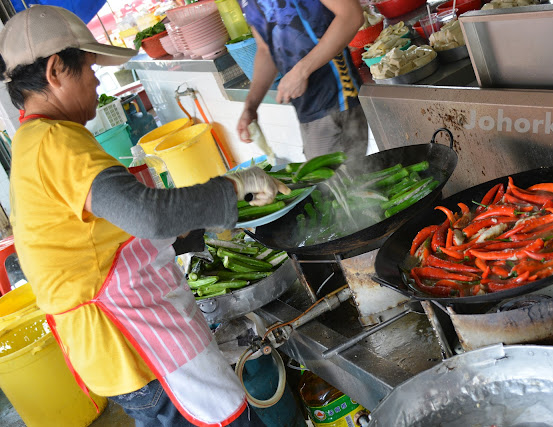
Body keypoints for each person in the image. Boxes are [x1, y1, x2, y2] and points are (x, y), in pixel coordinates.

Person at [1, 6, 288, 427]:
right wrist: (236, 183)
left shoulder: (31, 141)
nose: (97, 80)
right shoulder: (55, 142)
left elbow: (95, 235)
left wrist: (189, 223)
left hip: (115, 350)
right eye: (89, 68)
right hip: (139, 345)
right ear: (56, 70)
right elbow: (146, 215)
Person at [236, 0, 369, 160]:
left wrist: (301, 71)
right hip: (306, 110)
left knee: (345, 182)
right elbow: (265, 49)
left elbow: (351, 16)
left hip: (338, 100)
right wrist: (250, 106)